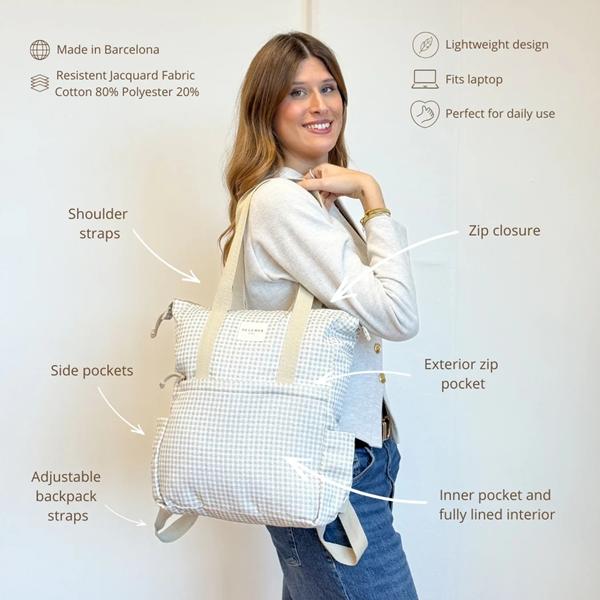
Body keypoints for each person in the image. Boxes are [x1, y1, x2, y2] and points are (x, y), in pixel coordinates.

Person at [218, 31, 420, 600]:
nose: (319, 105)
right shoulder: (281, 203)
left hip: (352, 457)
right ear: (267, 109)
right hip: (326, 464)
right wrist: (372, 194)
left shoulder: (314, 202)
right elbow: (397, 315)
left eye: (328, 88)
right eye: (297, 92)